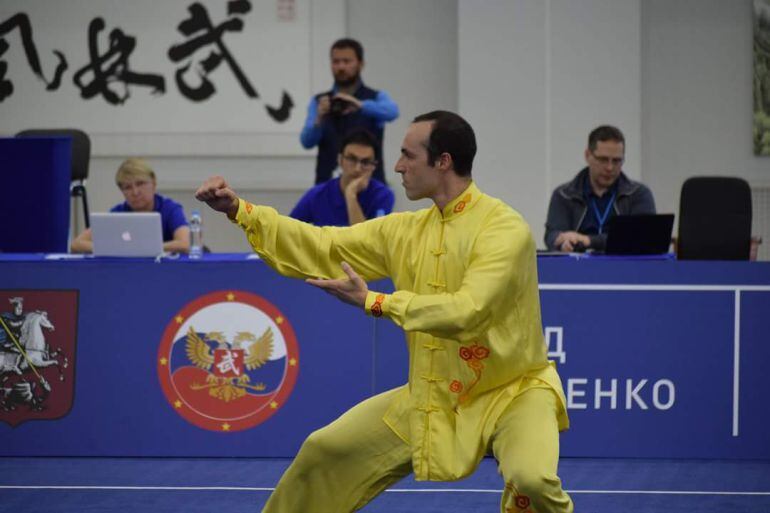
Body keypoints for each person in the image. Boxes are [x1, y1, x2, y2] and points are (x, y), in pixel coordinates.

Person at [196, 111, 573, 513]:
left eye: (408, 155)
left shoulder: (505, 229)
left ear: (443, 161)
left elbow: (468, 311)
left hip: (513, 391)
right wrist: (241, 212)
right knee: (324, 451)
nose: (397, 166)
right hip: (433, 392)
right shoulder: (405, 230)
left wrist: (376, 301)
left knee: (531, 481)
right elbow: (323, 245)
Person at [301, 38, 399, 185]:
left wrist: (360, 105)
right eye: (336, 61)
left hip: (369, 186)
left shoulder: (376, 97)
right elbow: (306, 142)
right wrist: (319, 119)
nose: (341, 67)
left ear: (361, 64)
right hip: (328, 186)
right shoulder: (319, 101)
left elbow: (393, 112)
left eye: (347, 61)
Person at [544, 125, 656, 252]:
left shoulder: (638, 194)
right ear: (588, 156)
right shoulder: (564, 195)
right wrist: (563, 242)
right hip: (577, 268)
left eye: (616, 161)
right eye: (603, 159)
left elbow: (642, 238)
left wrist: (589, 241)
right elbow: (552, 234)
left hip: (625, 268)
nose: (609, 167)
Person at [70, 158, 190, 254]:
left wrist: (143, 249)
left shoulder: (170, 209)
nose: (135, 192)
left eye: (140, 183)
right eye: (127, 187)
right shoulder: (117, 214)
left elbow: (185, 243)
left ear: (154, 183)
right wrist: (109, 248)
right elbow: (77, 244)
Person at [290, 129, 395, 226]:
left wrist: (351, 195)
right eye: (352, 159)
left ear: (373, 166)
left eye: (366, 162)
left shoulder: (383, 195)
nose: (358, 168)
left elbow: (365, 243)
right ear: (340, 160)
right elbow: (288, 230)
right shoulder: (317, 194)